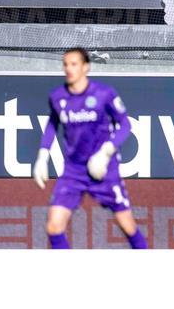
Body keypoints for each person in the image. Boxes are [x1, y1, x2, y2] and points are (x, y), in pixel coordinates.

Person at [32, 47, 147, 250]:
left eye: (74, 64)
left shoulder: (104, 94)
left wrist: (106, 152)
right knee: (53, 226)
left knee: (127, 225)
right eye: (65, 64)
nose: (69, 69)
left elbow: (125, 124)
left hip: (104, 169)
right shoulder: (58, 97)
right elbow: (52, 123)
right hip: (73, 171)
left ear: (86, 67)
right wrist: (43, 155)